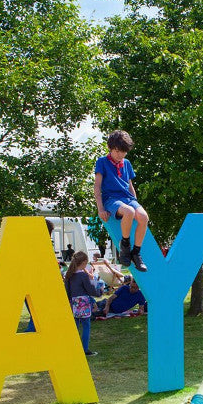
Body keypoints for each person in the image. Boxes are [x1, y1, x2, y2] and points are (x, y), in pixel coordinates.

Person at [94, 130, 149, 272]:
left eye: (123, 152)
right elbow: (97, 186)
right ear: (110, 148)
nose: (120, 155)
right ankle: (125, 245)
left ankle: (136, 253)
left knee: (143, 216)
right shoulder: (102, 162)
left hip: (128, 198)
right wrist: (100, 209)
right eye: (117, 151)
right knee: (128, 211)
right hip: (111, 199)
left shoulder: (127, 163)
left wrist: (136, 203)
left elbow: (130, 185)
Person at [64, 251, 104, 356]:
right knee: (86, 325)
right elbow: (91, 290)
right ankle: (85, 349)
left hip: (74, 302)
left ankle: (73, 348)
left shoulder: (69, 275)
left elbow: (67, 291)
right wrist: (99, 291)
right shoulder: (83, 275)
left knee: (75, 325)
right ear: (84, 262)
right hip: (83, 302)